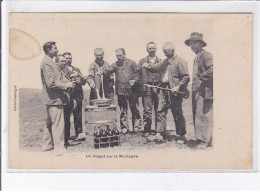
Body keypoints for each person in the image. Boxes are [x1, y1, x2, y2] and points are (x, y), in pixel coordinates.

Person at [143, 42, 190, 143]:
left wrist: (178, 87)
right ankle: (160, 134)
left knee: (177, 112)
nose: (165, 53)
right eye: (164, 52)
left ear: (173, 51)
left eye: (167, 52)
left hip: (175, 91)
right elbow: (156, 67)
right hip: (163, 89)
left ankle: (182, 135)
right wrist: (148, 65)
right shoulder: (164, 61)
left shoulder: (180, 61)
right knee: (160, 111)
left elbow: (186, 77)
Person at [40, 42, 75, 155]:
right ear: (49, 50)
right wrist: (66, 86)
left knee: (50, 123)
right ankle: (59, 149)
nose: (57, 49)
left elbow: (56, 78)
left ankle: (47, 145)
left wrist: (68, 82)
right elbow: (51, 83)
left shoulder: (50, 62)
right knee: (58, 124)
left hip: (53, 99)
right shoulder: (47, 63)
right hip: (54, 99)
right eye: (55, 48)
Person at [103, 48, 141, 133]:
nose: (118, 57)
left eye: (120, 55)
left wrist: (135, 80)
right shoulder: (115, 64)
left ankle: (137, 127)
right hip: (120, 90)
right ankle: (124, 127)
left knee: (134, 108)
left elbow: (138, 73)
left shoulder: (132, 63)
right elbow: (107, 70)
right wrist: (101, 71)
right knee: (123, 110)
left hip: (132, 89)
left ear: (124, 54)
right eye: (117, 56)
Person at [185, 32, 213, 148]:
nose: (193, 46)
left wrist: (201, 79)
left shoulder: (206, 55)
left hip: (205, 90)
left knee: (204, 115)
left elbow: (213, 70)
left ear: (201, 43)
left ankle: (205, 141)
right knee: (197, 114)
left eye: (195, 43)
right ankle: (200, 139)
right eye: (191, 43)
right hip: (197, 90)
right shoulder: (197, 56)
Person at [62, 52, 89, 141]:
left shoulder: (76, 69)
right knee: (66, 116)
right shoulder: (61, 69)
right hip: (68, 95)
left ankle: (79, 134)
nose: (68, 59)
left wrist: (81, 80)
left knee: (78, 115)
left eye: (70, 58)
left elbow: (83, 82)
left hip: (78, 95)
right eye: (66, 58)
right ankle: (66, 136)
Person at [137, 42, 162, 137]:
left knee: (158, 110)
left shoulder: (161, 61)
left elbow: (163, 74)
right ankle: (147, 130)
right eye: (150, 48)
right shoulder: (142, 61)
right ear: (147, 50)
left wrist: (159, 86)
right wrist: (138, 83)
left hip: (158, 88)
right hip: (146, 89)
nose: (152, 50)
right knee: (147, 110)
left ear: (156, 49)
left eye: (153, 48)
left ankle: (157, 130)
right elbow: (137, 74)